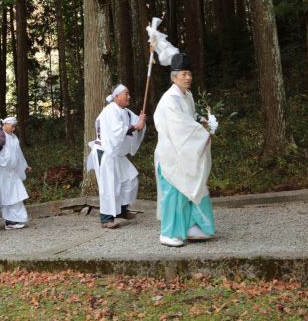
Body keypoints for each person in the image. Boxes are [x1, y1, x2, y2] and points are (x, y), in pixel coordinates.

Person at [153, 53, 217, 247]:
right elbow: (179, 127)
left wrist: (201, 122)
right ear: (174, 77)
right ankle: (168, 233)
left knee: (193, 188)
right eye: (183, 73)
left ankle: (192, 226)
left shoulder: (186, 95)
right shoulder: (169, 99)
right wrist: (202, 133)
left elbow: (189, 118)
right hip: (170, 155)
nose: (188, 77)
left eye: (189, 73)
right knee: (174, 192)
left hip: (184, 153)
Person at [88, 84, 147, 229]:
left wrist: (141, 121)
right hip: (105, 151)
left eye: (129, 93)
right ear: (116, 96)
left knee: (130, 178)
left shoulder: (126, 112)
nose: (129, 96)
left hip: (116, 154)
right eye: (126, 93)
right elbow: (116, 132)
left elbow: (137, 125)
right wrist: (135, 126)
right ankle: (106, 219)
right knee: (108, 185)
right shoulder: (109, 111)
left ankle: (121, 210)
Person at [0, 117, 31, 230]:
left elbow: (18, 153)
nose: (14, 129)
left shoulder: (14, 137)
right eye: (12, 126)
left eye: (15, 126)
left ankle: (12, 220)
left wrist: (24, 166)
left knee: (14, 195)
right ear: (5, 124)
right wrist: (4, 163)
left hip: (10, 172)